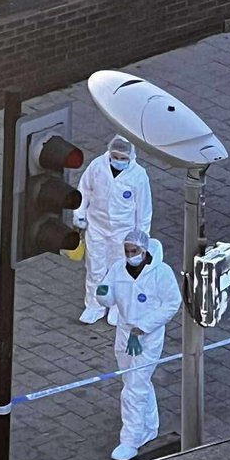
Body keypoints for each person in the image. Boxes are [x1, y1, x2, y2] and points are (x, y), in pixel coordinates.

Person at [96, 228, 181, 460]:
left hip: (148, 337)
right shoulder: (117, 269)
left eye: (134, 251)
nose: (130, 255)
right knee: (134, 381)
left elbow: (172, 304)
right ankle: (149, 426)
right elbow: (109, 295)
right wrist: (102, 294)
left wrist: (142, 327)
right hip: (124, 333)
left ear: (144, 251)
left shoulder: (161, 273)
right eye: (127, 251)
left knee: (134, 388)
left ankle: (131, 439)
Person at [73, 135, 153, 325]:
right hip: (97, 227)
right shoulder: (97, 166)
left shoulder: (138, 176)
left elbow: (144, 210)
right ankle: (94, 305)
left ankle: (118, 307)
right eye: (115, 156)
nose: (118, 161)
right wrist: (79, 214)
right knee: (95, 268)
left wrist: (141, 238)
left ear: (131, 157)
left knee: (121, 270)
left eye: (122, 158)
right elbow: (84, 190)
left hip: (123, 232)